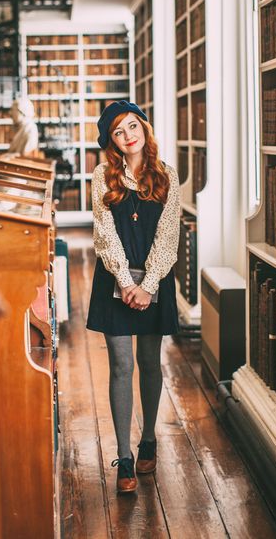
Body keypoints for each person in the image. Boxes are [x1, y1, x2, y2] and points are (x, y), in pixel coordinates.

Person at [87, 100, 180, 493]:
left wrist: (149, 284)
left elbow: (169, 235)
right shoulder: (101, 176)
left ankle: (149, 440)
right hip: (114, 280)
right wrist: (126, 282)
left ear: (144, 127)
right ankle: (124, 456)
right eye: (118, 132)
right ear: (111, 140)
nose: (128, 136)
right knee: (122, 364)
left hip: (154, 280)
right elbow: (104, 233)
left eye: (132, 127)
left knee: (149, 361)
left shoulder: (167, 175)